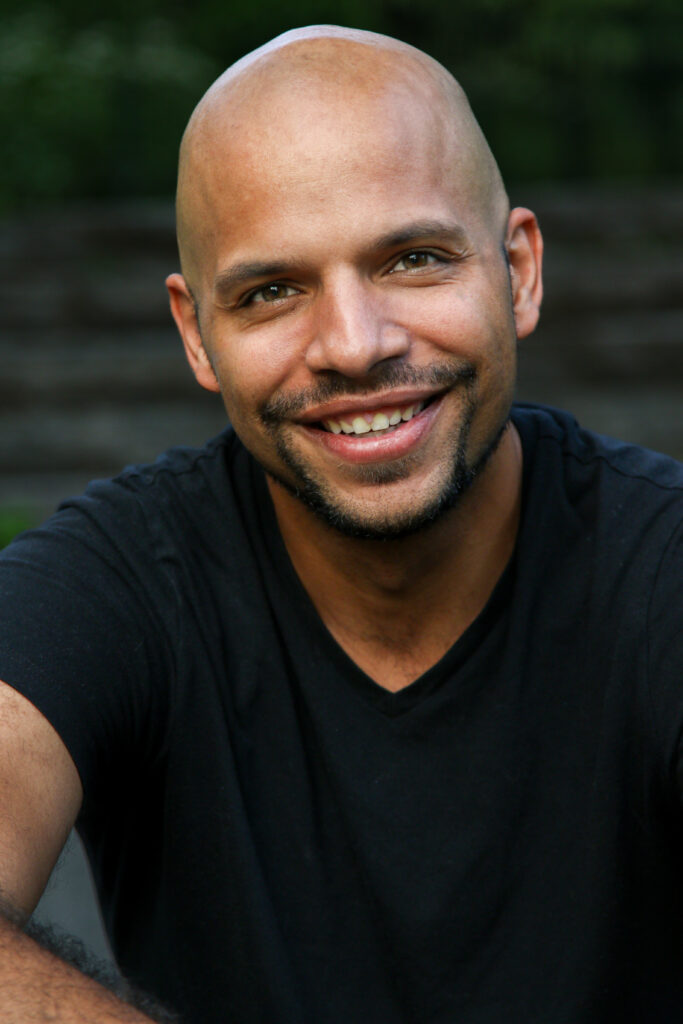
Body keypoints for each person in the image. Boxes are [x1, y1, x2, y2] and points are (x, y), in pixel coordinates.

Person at [0, 22, 681, 1024]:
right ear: (197, 334)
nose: (353, 347)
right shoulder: (120, 579)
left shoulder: (658, 567)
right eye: (272, 290)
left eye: (411, 258)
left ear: (518, 270)